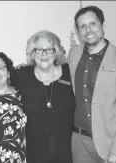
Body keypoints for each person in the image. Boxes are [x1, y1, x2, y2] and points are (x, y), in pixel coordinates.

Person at [67, 5, 116, 163]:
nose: (88, 30)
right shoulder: (74, 53)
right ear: (78, 31)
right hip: (79, 142)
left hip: (111, 142)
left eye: (93, 24)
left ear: (103, 25)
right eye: (82, 26)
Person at [14, 30, 75, 163]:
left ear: (56, 52)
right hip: (34, 150)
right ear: (32, 53)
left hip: (66, 149)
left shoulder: (69, 73)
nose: (44, 54)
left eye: (49, 49)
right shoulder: (21, 75)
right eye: (39, 50)